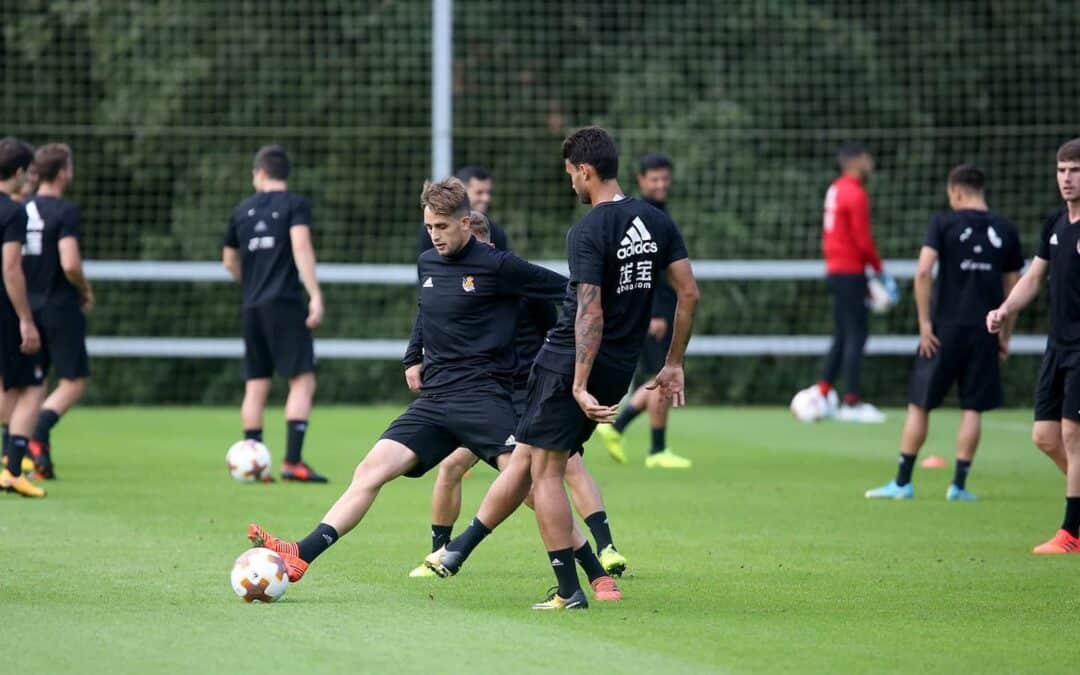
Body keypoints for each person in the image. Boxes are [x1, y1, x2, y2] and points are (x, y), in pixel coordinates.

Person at [243, 179, 621, 600]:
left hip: (484, 400)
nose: (435, 235)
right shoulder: (427, 263)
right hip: (435, 402)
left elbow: (574, 292)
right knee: (370, 470)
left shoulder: (498, 266)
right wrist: (414, 355)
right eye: (429, 227)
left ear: (465, 222)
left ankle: (595, 573)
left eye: (442, 226)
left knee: (535, 490)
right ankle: (302, 554)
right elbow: (426, 312)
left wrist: (581, 350)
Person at [425, 127, 700, 610]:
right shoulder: (656, 221)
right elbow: (689, 293)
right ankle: (459, 549)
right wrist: (673, 363)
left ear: (586, 171)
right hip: (620, 365)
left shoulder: (589, 230)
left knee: (545, 472)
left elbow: (588, 311)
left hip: (569, 363)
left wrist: (575, 381)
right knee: (529, 455)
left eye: (571, 173)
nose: (570, 182)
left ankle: (569, 591)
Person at [407, 212, 627, 582]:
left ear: (489, 246)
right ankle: (440, 552)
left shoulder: (518, 287)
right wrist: (414, 356)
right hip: (484, 398)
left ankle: (602, 550)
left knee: (558, 471)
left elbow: (560, 322)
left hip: (526, 395)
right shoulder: (453, 282)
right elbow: (427, 315)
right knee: (451, 467)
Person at [865, 165, 1022, 501]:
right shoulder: (1006, 229)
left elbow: (923, 272)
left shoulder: (943, 223)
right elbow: (1014, 286)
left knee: (919, 405)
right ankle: (958, 486)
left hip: (943, 330)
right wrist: (1005, 334)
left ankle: (903, 482)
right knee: (972, 408)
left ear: (955, 192)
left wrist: (924, 325)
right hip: (985, 330)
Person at [987, 138, 1080, 553]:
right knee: (1045, 436)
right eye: (1062, 170)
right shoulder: (1055, 224)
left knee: (1073, 434)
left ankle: (1072, 533)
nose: (1067, 178)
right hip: (1057, 346)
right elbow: (1033, 278)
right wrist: (1005, 309)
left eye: (1075, 170)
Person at [223, 145, 326, 482]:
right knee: (302, 379)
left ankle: (253, 458)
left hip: (252, 305)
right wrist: (315, 294)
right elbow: (300, 245)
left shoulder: (241, 210)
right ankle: (292, 461)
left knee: (256, 384)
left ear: (260, 172)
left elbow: (228, 260)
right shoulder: (296, 205)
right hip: (284, 303)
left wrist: (250, 282)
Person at [596, 152, 692, 469]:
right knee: (662, 376)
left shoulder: (656, 212)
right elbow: (643, 270)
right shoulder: (645, 215)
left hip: (657, 310)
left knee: (658, 377)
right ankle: (648, 444)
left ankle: (635, 437)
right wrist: (654, 312)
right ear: (640, 180)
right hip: (656, 313)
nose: (661, 184)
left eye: (665, 178)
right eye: (655, 179)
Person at [21, 143, 94, 479]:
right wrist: (84, 289)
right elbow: (70, 263)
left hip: (25, 306)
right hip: (59, 306)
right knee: (73, 382)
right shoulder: (64, 212)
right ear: (63, 171)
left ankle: (33, 454)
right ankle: (39, 430)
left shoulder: (20, 208)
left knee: (34, 383)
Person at [808, 143, 889, 423]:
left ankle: (823, 391)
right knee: (857, 334)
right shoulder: (855, 193)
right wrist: (879, 271)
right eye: (868, 158)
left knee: (843, 333)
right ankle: (851, 402)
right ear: (856, 161)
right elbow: (862, 239)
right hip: (851, 269)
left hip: (835, 268)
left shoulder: (835, 189)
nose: (871, 163)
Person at [0, 137, 45, 497]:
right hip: (5, 310)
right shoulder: (12, 211)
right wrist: (25, 319)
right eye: (28, 173)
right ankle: (12, 470)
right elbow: (11, 267)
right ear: (17, 172)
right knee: (31, 386)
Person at [416, 166, 508, 256]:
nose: (486, 198)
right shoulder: (432, 228)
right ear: (462, 190)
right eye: (479, 192)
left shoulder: (495, 231)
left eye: (488, 192)